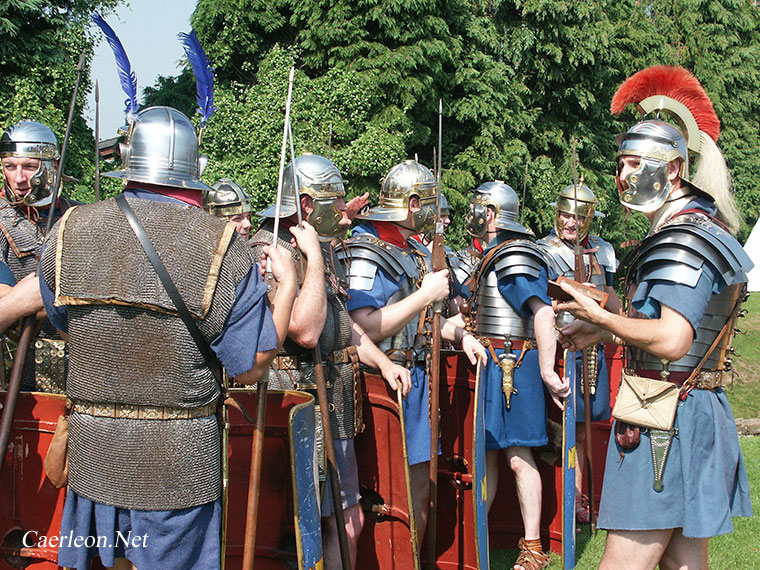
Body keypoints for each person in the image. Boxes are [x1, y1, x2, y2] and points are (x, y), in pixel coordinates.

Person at [38, 106, 297, 570]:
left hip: (93, 454)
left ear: (129, 162)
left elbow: (63, 323)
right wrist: (290, 285)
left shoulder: (68, 230)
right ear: (192, 172)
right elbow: (251, 364)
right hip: (175, 467)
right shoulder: (218, 244)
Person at [557, 65, 753, 570]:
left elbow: (670, 338)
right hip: (686, 405)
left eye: (633, 163)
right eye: (620, 163)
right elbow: (659, 321)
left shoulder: (683, 237)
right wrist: (602, 315)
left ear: (671, 171)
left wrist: (603, 320)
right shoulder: (688, 230)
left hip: (666, 411)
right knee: (684, 565)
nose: (621, 176)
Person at [249, 152, 411, 569]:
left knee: (347, 519)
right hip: (299, 402)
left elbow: (344, 327)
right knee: (303, 525)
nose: (342, 210)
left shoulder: (322, 249)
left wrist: (383, 363)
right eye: (333, 202)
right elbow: (304, 330)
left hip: (337, 401)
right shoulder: (269, 250)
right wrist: (314, 258)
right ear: (306, 205)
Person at [340, 158, 485, 541]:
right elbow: (366, 324)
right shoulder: (367, 249)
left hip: (416, 380)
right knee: (388, 491)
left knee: (419, 489)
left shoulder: (411, 250)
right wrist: (424, 295)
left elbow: (426, 322)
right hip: (377, 380)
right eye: (431, 203)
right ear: (413, 204)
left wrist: (461, 335)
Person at [460, 180, 569, 570]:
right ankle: (476, 541)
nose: (471, 215)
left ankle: (534, 547)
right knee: (485, 455)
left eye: (477, 208)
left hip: (513, 366)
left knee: (520, 458)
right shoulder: (492, 254)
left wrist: (544, 371)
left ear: (490, 213)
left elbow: (542, 312)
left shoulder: (513, 256)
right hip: (491, 363)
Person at [537, 183, 619, 523]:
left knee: (585, 428)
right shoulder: (542, 250)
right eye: (565, 214)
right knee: (558, 429)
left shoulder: (604, 250)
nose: (570, 222)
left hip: (592, 351)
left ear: (589, 219)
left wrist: (620, 321)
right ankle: (563, 502)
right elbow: (539, 303)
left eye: (578, 217)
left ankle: (581, 496)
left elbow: (611, 297)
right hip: (556, 346)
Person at [0, 120, 77, 390]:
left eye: (30, 167)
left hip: (78, 374)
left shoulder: (81, 219)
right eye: (10, 166)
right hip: (14, 378)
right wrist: (19, 301)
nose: (19, 178)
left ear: (52, 166)